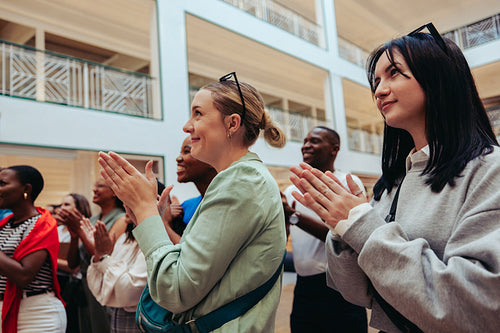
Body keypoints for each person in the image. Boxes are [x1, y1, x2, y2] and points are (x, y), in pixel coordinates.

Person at [289, 23, 500, 332]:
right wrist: (342, 227)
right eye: (376, 80)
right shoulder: (395, 182)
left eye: (394, 73)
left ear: (438, 76)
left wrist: (359, 223)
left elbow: (479, 304)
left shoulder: (489, 169)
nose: (379, 90)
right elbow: (358, 292)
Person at [99, 72, 287, 332]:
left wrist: (145, 212)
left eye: (198, 113)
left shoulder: (240, 182)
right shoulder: (242, 178)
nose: (187, 126)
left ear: (232, 124)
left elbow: (175, 289)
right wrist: (150, 214)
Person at [282, 126, 367, 333]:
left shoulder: (348, 184)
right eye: (305, 140)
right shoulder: (292, 190)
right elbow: (282, 237)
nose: (306, 145)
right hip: (304, 288)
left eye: (315, 141)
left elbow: (345, 240)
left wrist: (294, 218)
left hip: (340, 287)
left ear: (334, 149)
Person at [0, 165, 66, 332]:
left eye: (2, 183)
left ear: (26, 189)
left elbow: (24, 276)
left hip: (37, 313)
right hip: (4, 309)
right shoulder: (5, 225)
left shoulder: (42, 225)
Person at [63, 177, 127, 333]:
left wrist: (80, 231)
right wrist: (73, 235)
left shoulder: (121, 218)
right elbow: (73, 264)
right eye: (94, 186)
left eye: (100, 186)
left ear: (113, 192)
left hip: (106, 283)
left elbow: (104, 255)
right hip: (85, 287)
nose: (94, 189)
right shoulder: (91, 220)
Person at [167, 136, 217, 242]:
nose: (178, 158)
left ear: (212, 159)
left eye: (187, 151)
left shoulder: (225, 206)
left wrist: (163, 223)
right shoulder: (185, 207)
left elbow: (191, 256)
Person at [54, 193, 92, 333]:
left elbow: (74, 267)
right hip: (56, 283)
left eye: (67, 204)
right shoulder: (57, 229)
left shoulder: (83, 230)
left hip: (73, 287)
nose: (61, 208)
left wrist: (50, 260)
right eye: (61, 204)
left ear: (79, 209)